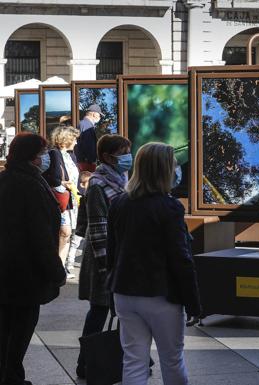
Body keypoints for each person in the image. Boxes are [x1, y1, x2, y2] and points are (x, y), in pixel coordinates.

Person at [107, 142, 201, 385]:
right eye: (174, 166)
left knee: (133, 359)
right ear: (164, 170)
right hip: (161, 294)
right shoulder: (169, 207)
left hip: (125, 291)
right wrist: (193, 303)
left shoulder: (120, 203)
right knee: (172, 359)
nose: (176, 170)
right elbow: (181, 259)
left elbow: (113, 251)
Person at [0, 133, 66, 385]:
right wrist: (56, 272)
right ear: (32, 157)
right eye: (41, 153)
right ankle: (12, 377)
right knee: (20, 329)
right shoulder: (30, 186)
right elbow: (40, 236)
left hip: (7, 270)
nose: (45, 158)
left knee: (6, 328)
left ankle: (8, 374)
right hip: (24, 274)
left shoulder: (6, 179)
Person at [76, 134, 131, 379]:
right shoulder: (98, 184)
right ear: (108, 157)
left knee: (114, 311)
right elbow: (98, 228)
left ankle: (113, 362)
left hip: (118, 254)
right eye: (123, 152)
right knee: (98, 310)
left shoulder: (122, 179)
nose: (128, 157)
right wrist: (106, 267)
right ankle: (86, 363)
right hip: (104, 256)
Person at [43, 126, 81, 279]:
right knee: (65, 232)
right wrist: (62, 183)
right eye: (75, 139)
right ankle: (55, 268)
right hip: (59, 200)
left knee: (67, 234)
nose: (76, 143)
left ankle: (60, 269)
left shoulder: (72, 157)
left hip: (71, 200)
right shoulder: (53, 154)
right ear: (66, 139)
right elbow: (47, 176)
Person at [74, 104, 103, 172]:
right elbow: (88, 145)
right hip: (86, 163)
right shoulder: (87, 125)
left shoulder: (84, 124)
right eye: (99, 115)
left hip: (84, 162)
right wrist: (91, 160)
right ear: (94, 114)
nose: (100, 117)